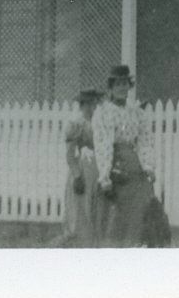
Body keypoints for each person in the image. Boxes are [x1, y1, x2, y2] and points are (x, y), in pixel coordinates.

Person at [93, 64, 156, 247]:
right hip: (114, 164)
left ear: (129, 86)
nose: (122, 88)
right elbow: (103, 144)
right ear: (111, 88)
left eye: (125, 84)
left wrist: (148, 166)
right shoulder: (103, 112)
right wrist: (105, 176)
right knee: (115, 215)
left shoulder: (136, 112)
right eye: (117, 84)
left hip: (134, 164)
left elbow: (144, 140)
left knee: (139, 208)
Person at [62, 88, 104, 246]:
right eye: (88, 104)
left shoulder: (100, 123)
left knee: (98, 209)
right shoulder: (76, 124)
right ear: (82, 105)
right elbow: (70, 154)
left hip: (99, 169)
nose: (92, 107)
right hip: (83, 170)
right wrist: (77, 175)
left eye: (94, 103)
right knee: (81, 209)